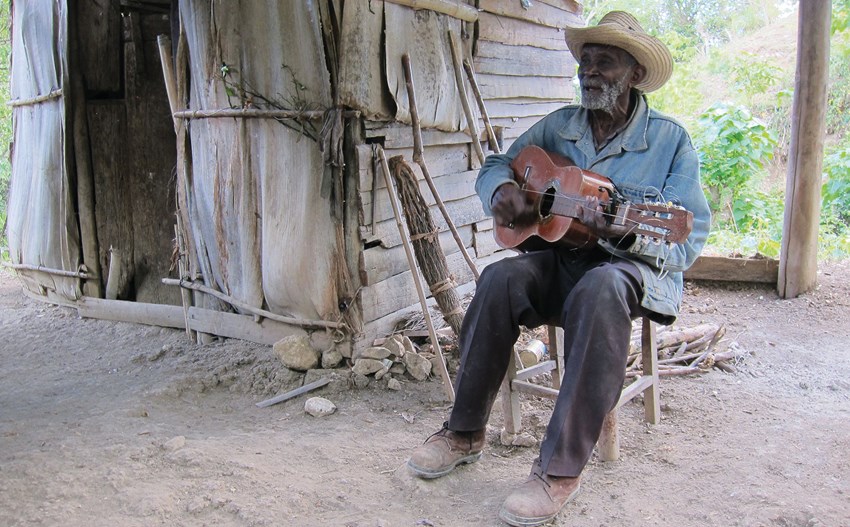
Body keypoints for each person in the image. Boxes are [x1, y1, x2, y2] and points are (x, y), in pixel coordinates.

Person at [405, 11, 712, 527]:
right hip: (561, 260)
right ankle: (463, 432)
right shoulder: (561, 124)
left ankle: (557, 471)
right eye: (585, 61)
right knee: (499, 278)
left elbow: (689, 238)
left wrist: (628, 230)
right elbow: (496, 165)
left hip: (626, 273)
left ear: (635, 74)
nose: (589, 72)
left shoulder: (669, 142)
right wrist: (502, 193)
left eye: (605, 63)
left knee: (602, 286)